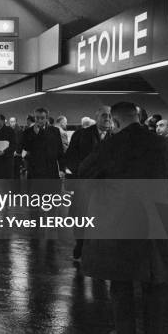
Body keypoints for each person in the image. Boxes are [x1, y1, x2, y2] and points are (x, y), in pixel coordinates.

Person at [78, 102, 168, 334]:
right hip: (157, 220)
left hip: (121, 222)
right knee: (154, 282)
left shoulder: (111, 145)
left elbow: (85, 171)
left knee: (122, 282)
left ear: (115, 122)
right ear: (137, 117)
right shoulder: (162, 142)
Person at [65, 106, 112, 261]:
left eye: (110, 116)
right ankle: (81, 246)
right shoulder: (81, 135)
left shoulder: (116, 136)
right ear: (97, 116)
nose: (107, 118)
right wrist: (81, 172)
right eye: (104, 115)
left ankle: (99, 248)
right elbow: (70, 157)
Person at [19, 107, 64, 180]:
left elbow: (60, 150)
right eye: (37, 118)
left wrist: (62, 168)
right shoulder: (28, 132)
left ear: (47, 118)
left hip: (51, 169)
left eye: (42, 118)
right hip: (35, 170)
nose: (39, 120)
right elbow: (26, 148)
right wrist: (35, 135)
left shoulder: (54, 131)